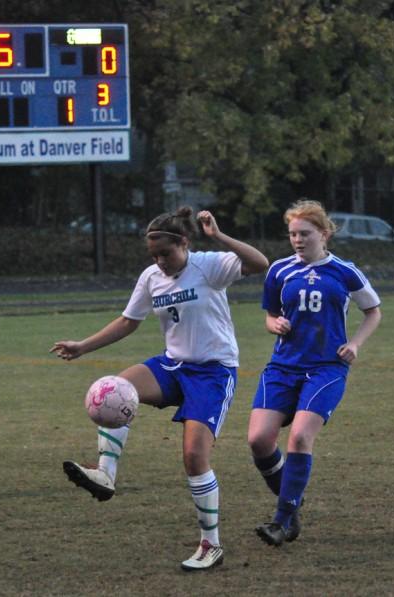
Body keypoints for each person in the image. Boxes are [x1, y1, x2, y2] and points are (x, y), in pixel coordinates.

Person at [51, 206, 269, 571]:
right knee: (114, 388)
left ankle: (210, 544)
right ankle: (106, 474)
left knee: (194, 458)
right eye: (153, 256)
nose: (160, 262)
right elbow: (127, 321)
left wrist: (218, 235)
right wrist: (82, 346)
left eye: (165, 254)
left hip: (213, 372)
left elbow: (260, 263)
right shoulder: (152, 277)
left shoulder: (210, 264)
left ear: (184, 243)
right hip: (173, 365)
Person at [249, 199, 382, 546]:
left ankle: (282, 520)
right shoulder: (279, 270)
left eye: (304, 233)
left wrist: (355, 344)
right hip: (283, 366)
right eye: (292, 233)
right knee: (259, 440)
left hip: (326, 368)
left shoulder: (344, 270)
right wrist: (273, 323)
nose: (297, 239)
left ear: (323, 234)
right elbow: (269, 315)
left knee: (300, 438)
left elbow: (374, 311)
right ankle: (291, 498)